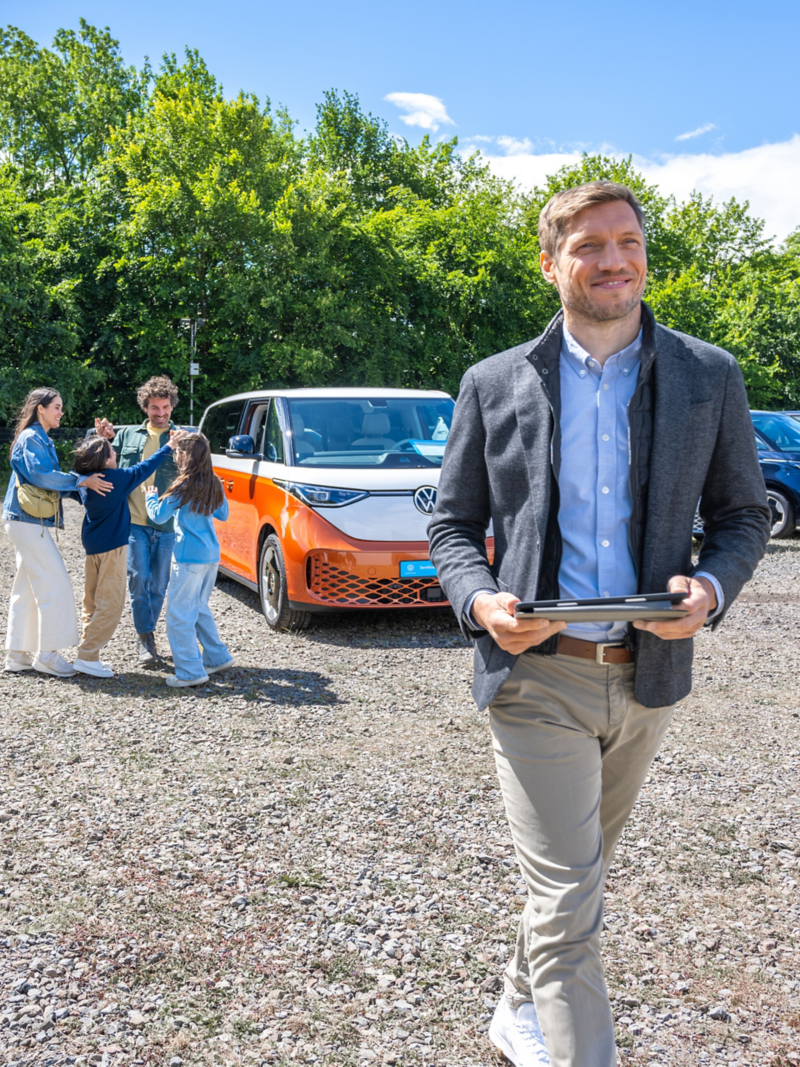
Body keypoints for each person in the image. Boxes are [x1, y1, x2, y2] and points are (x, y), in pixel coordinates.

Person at [427, 181, 771, 1067]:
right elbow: (452, 526)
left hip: (649, 680)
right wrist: (479, 600)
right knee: (571, 900)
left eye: (627, 241)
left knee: (569, 885)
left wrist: (713, 590)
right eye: (589, 246)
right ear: (551, 265)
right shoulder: (493, 382)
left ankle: (515, 1006)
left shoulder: (709, 374)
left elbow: (741, 516)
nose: (613, 259)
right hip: (537, 673)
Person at [3, 387, 111, 678]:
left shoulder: (39, 438)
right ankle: (47, 655)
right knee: (56, 584)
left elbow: (50, 480)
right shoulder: (31, 438)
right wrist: (82, 481)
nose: (61, 412)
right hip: (27, 522)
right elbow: (42, 476)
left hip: (24, 520)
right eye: (57, 407)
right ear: (41, 408)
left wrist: (82, 483)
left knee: (26, 589)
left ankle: (17, 655)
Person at [70, 432, 177, 678]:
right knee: (111, 604)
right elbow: (144, 468)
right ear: (106, 460)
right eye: (112, 450)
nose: (116, 453)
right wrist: (168, 447)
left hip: (92, 548)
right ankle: (86, 656)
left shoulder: (88, 480)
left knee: (92, 602)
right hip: (112, 550)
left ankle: (90, 655)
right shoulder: (116, 479)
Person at [95, 376, 179, 665]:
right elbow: (100, 464)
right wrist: (102, 439)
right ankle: (146, 638)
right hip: (132, 522)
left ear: (171, 407)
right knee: (139, 577)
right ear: (145, 408)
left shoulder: (182, 438)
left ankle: (148, 631)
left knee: (158, 583)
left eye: (165, 407)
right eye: (154, 407)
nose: (160, 413)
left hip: (167, 525)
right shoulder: (126, 436)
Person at [144, 431, 234, 688]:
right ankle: (217, 656)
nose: (174, 455)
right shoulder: (213, 481)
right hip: (210, 557)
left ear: (185, 455)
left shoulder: (183, 485)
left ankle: (190, 671)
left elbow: (159, 516)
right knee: (198, 607)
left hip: (187, 558)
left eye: (176, 452)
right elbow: (224, 514)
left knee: (178, 615)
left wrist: (151, 496)